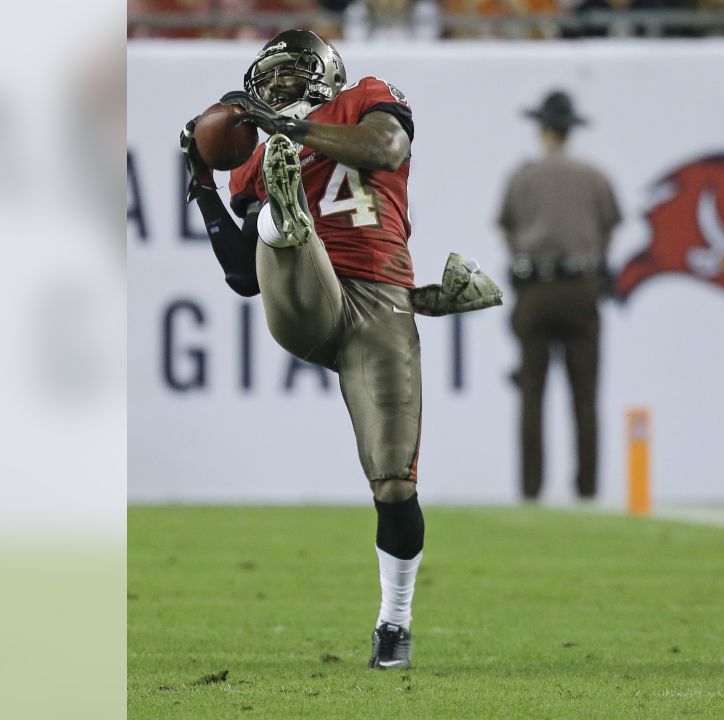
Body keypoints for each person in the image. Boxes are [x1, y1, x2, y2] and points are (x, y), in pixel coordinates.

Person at [179, 29, 498, 670]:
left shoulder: (364, 99)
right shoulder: (260, 152)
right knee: (278, 230)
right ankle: (284, 220)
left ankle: (393, 623)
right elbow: (243, 279)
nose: (276, 89)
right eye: (267, 80)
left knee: (393, 486)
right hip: (305, 298)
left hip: (381, 300)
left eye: (291, 75)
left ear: (324, 73)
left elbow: (387, 147)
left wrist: (292, 131)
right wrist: (204, 187)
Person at [498, 90, 621, 502]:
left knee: (532, 393)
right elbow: (610, 228)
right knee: (584, 396)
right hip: (581, 289)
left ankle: (530, 491)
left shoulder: (523, 177)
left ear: (542, 129)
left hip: (535, 289)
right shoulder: (594, 177)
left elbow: (506, 228)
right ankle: (586, 491)